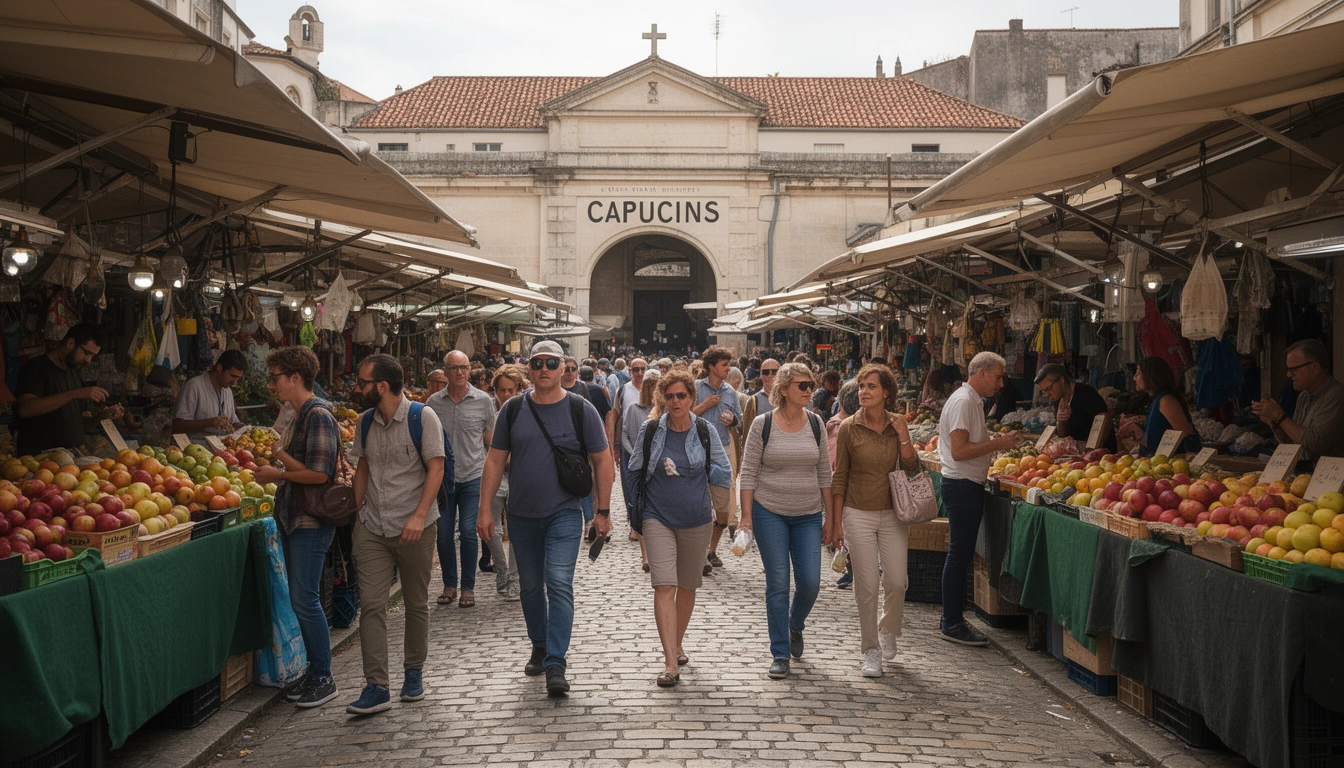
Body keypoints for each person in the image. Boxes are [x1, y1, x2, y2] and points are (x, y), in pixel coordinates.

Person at [477, 340, 614, 697]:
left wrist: (602, 512)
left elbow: (603, 460)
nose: (544, 369)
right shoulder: (513, 409)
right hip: (521, 514)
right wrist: (484, 509)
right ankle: (539, 643)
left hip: (564, 512)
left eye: (551, 363)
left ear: (563, 367)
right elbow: (495, 459)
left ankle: (556, 662)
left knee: (558, 582)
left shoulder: (581, 409)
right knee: (530, 587)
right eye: (537, 363)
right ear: (529, 368)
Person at [345, 354, 446, 715]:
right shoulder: (364, 422)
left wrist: (419, 516)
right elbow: (363, 467)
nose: (358, 389)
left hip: (415, 526)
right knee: (372, 605)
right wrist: (357, 513)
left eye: (363, 383)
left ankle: (413, 672)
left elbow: (436, 468)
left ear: (382, 386)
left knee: (416, 603)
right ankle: (376, 685)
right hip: (373, 526)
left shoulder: (423, 417)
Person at [628, 370, 731, 687]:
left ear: (691, 398)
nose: (675, 401)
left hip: (697, 519)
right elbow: (634, 469)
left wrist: (698, 474)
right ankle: (670, 663)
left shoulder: (705, 430)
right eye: (670, 396)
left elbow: (724, 469)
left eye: (681, 395)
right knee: (664, 585)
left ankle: (677, 642)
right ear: (662, 398)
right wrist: (634, 513)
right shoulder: (650, 430)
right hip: (657, 517)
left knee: (687, 586)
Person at [255, 346, 341, 708]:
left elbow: (320, 474)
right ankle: (314, 670)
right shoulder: (299, 415)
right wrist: (280, 457)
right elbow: (302, 466)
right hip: (295, 518)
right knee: (300, 598)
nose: (272, 384)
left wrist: (278, 472)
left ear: (295, 378)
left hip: (310, 521)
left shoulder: (317, 416)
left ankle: (323, 676)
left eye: (275, 377)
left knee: (305, 599)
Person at [738, 362, 831, 679]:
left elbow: (825, 473)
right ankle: (780, 653)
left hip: (808, 515)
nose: (809, 390)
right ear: (784, 389)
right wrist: (746, 517)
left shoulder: (816, 423)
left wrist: (832, 518)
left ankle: (795, 623)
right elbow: (748, 472)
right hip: (769, 512)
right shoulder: (762, 424)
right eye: (803, 385)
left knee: (810, 583)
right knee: (778, 583)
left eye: (811, 384)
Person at [829, 364, 921, 677]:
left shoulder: (898, 424)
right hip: (858, 513)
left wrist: (904, 436)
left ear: (886, 392)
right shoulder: (848, 427)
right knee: (866, 586)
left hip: (894, 513)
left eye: (871, 386)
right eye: (861, 386)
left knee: (896, 580)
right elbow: (840, 475)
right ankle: (871, 649)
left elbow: (913, 468)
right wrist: (836, 522)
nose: (864, 392)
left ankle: (889, 628)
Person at [937, 352, 1019, 647]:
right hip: (961, 485)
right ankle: (952, 622)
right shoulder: (964, 401)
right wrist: (999, 443)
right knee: (959, 555)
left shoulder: (970, 400)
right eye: (998, 377)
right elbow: (959, 450)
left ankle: (952, 618)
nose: (1000, 383)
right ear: (981, 373)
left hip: (964, 484)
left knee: (959, 554)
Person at [425, 350, 493, 608]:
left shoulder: (483, 401)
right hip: (443, 479)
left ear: (469, 370)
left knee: (467, 531)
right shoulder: (433, 403)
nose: (459, 373)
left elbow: (490, 439)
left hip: (473, 475)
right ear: (445, 371)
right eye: (454, 368)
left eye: (463, 367)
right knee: (443, 534)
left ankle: (468, 588)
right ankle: (449, 584)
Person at [16, 323, 122, 455]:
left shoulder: (74, 373)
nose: (88, 360)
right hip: (40, 459)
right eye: (87, 353)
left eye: (92, 356)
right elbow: (25, 409)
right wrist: (75, 394)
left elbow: (83, 424)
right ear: (71, 343)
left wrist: (100, 417)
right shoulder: (36, 368)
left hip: (72, 459)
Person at [692, 346, 743, 572]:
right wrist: (705, 405)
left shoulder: (730, 392)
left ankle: (712, 549)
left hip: (721, 451)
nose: (728, 368)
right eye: (724, 365)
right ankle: (702, 553)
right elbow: (682, 416)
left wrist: (732, 421)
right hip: (696, 450)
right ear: (711, 367)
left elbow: (739, 421)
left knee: (723, 509)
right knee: (700, 506)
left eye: (728, 364)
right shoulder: (695, 388)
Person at [1253, 339, 1344, 460]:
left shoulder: (1336, 395)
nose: (1289, 375)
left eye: (1294, 370)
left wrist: (1279, 416)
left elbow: (1316, 444)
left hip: (1329, 470)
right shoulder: (1303, 396)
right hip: (1304, 468)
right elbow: (1294, 442)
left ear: (1314, 368)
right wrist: (1273, 421)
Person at [486, 365, 527, 600]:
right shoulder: (487, 408)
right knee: (490, 528)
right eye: (501, 390)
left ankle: (514, 577)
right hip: (491, 475)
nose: (506, 394)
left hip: (516, 476)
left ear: (519, 389)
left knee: (515, 529)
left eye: (510, 390)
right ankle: (501, 567)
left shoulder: (523, 408)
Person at [1121, 357, 1201, 457]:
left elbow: (1184, 432)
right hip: (1158, 461)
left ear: (1150, 377)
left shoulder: (1166, 400)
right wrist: (1139, 429)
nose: (1134, 378)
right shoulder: (1156, 399)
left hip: (1173, 462)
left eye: (1137, 374)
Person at [622, 371, 660, 570]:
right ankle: (645, 557)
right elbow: (625, 435)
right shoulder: (633, 409)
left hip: (658, 467)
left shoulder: (664, 412)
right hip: (639, 465)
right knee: (641, 508)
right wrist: (636, 454)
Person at [172, 349, 246, 444]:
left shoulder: (228, 391)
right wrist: (209, 423)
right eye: (233, 376)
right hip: (195, 447)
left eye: (238, 378)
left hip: (222, 448)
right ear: (219, 368)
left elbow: (233, 420)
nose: (235, 382)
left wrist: (238, 426)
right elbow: (177, 426)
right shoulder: (194, 386)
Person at [1034, 363, 1114, 451]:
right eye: (1044, 391)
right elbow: (1063, 437)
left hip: (1102, 452)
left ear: (1061, 380)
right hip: (1078, 453)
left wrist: (1092, 450)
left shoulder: (1085, 393)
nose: (1047, 394)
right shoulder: (1057, 399)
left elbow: (1105, 418)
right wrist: (1061, 422)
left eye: (1049, 388)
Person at [827, 381, 860, 590]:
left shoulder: (835, 425)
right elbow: (835, 464)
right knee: (848, 531)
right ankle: (851, 569)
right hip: (846, 488)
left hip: (844, 488)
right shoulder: (840, 428)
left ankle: (851, 569)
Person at [743, 358, 779, 429]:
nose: (770, 375)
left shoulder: (789, 398)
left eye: (774, 372)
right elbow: (747, 429)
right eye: (766, 372)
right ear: (761, 375)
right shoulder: (753, 401)